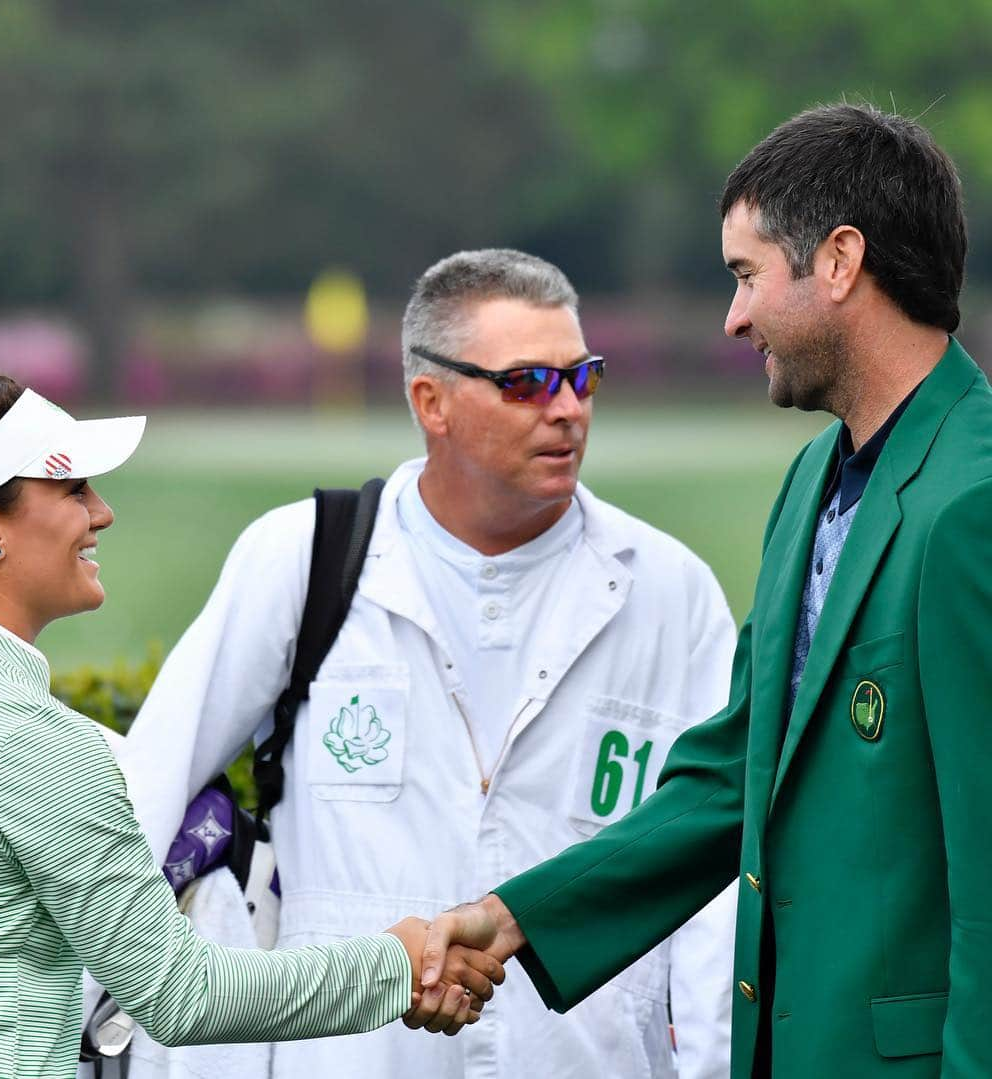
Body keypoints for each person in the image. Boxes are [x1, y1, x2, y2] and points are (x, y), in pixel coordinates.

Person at [420, 104, 992, 1079]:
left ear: (841, 262)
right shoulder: (811, 481)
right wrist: (515, 917)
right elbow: (738, 775)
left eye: (746, 274)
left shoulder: (972, 504)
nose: (733, 318)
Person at [120, 248, 740, 1079]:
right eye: (527, 383)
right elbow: (140, 798)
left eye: (581, 377)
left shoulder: (672, 591)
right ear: (431, 401)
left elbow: (712, 873)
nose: (568, 411)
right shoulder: (302, 556)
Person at [0, 375, 498, 1079]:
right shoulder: (29, 743)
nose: (102, 513)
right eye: (72, 490)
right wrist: (397, 962)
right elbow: (180, 992)